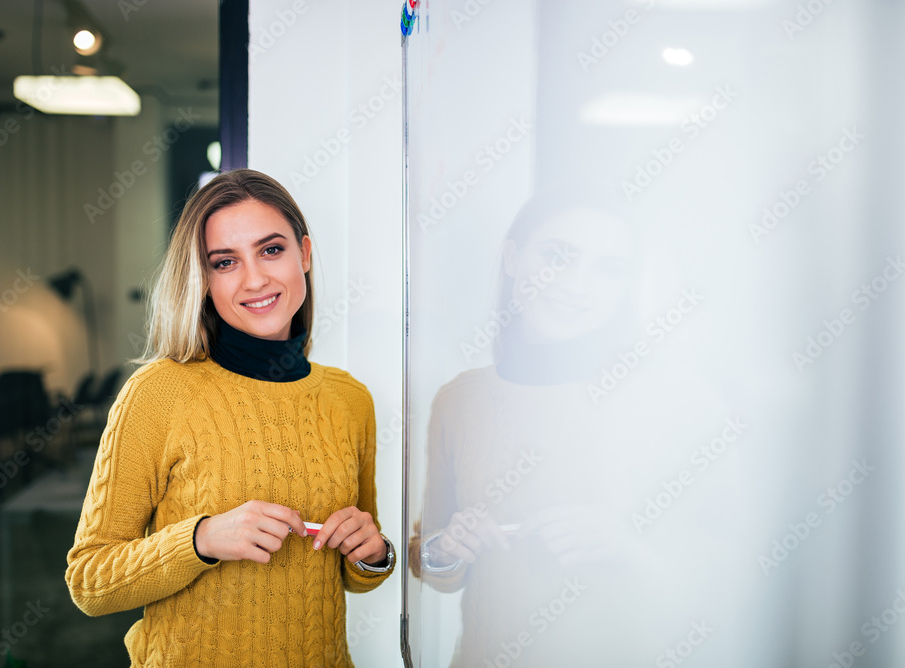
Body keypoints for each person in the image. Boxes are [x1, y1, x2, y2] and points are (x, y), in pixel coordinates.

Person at [65, 168, 395, 668]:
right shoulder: (157, 394)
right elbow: (90, 581)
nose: (255, 278)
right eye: (225, 262)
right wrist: (200, 540)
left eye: (271, 250)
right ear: (202, 281)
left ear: (303, 254)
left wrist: (374, 553)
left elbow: (350, 570)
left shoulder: (351, 400)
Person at [408, 192, 728, 666]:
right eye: (557, 256)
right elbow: (431, 562)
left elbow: (739, 580)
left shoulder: (682, 400)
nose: (577, 285)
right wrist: (447, 548)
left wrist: (633, 552)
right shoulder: (461, 398)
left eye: (608, 268)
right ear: (513, 257)